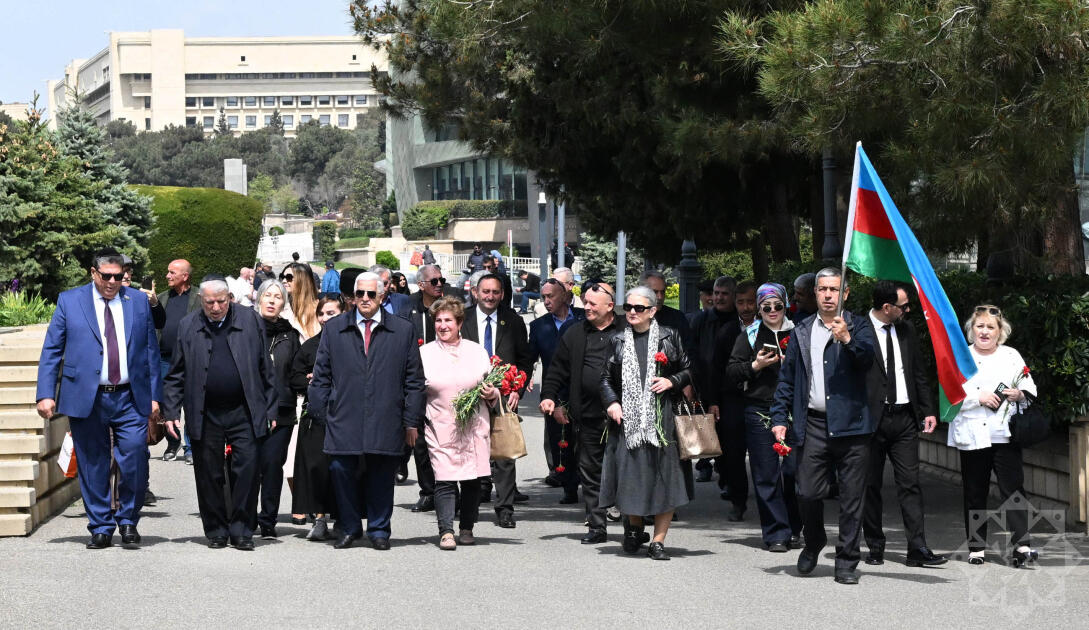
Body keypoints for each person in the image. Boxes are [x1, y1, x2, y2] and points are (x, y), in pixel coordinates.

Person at [36, 249, 161, 549]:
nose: (112, 282)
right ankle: (101, 526)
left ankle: (128, 521)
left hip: (130, 396)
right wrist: (45, 394)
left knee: (134, 458)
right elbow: (52, 349)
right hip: (87, 397)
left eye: (118, 277)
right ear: (93, 273)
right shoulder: (70, 300)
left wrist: (156, 397)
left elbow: (150, 353)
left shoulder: (139, 302)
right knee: (93, 464)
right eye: (106, 276)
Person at [771, 267, 876, 584]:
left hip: (852, 426)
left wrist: (847, 339)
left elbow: (867, 361)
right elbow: (787, 380)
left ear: (844, 294)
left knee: (852, 498)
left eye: (834, 289)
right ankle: (814, 540)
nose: (828, 295)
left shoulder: (859, 326)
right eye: (822, 289)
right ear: (814, 293)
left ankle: (846, 562)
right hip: (813, 424)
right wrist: (779, 419)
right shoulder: (802, 330)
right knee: (807, 491)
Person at [308, 272, 426, 549]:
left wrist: (410, 420)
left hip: (386, 417)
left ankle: (379, 530)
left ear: (382, 296)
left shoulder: (403, 330)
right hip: (343, 417)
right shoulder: (335, 328)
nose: (364, 299)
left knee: (382, 476)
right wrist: (324, 413)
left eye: (371, 294)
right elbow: (321, 376)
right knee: (340, 471)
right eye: (359, 293)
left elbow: (414, 380)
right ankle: (349, 527)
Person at [162, 276, 277, 550]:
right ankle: (215, 530)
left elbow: (266, 369)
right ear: (201, 300)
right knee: (208, 473)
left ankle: (242, 531)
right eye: (209, 302)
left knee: (247, 472)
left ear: (230, 299)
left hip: (245, 410)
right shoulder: (189, 326)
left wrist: (270, 408)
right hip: (205, 410)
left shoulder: (250, 321)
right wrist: (171, 411)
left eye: (221, 301)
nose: (215, 307)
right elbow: (176, 373)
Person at [600, 286, 693, 560]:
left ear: (652, 311)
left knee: (666, 479)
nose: (631, 312)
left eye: (638, 308)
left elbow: (688, 369)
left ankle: (658, 541)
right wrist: (612, 403)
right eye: (627, 307)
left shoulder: (669, 336)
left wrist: (672, 380)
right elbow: (605, 378)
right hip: (628, 422)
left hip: (662, 419)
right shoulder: (617, 340)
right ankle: (635, 527)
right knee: (631, 477)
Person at [862, 281, 946, 567]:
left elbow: (918, 372)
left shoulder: (907, 329)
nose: (908, 310)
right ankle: (874, 545)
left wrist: (927, 410)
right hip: (871, 421)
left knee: (910, 484)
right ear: (887, 308)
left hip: (904, 419)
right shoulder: (859, 330)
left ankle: (917, 548)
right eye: (903, 306)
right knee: (870, 485)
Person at [948, 305, 1039, 567]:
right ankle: (976, 547)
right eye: (980, 326)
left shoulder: (1011, 355)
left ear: (1000, 332)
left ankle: (1022, 545)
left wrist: (1019, 393)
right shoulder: (960, 356)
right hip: (973, 432)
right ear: (971, 330)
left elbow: (1028, 384)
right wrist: (978, 398)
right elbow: (950, 393)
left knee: (1014, 491)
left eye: (990, 327)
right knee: (975, 491)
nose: (984, 332)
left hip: (1005, 433)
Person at [540, 283, 619, 544]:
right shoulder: (574, 334)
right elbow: (557, 369)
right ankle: (597, 527)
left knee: (625, 470)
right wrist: (550, 396)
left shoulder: (626, 332)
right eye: (585, 302)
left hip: (622, 415)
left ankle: (633, 525)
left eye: (592, 304)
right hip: (586, 415)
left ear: (609, 306)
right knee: (590, 472)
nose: (586, 307)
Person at [725, 282, 799, 552]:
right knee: (766, 474)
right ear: (759, 308)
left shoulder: (799, 332)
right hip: (760, 408)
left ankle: (795, 525)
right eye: (766, 306)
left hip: (794, 410)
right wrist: (756, 365)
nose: (772, 310)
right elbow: (732, 372)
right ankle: (777, 532)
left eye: (777, 305)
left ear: (785, 305)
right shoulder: (750, 334)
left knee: (795, 472)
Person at [419, 296, 498, 549]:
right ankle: (446, 531)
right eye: (438, 321)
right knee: (444, 479)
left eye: (448, 321)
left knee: (472, 479)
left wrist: (492, 394)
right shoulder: (424, 354)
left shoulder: (476, 351)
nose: (442, 326)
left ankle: (467, 528)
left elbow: (493, 388)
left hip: (473, 426)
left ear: (459, 323)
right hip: (440, 425)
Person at [461, 273, 533, 527]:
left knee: (504, 454)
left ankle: (504, 508)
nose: (490, 296)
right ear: (475, 293)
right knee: (468, 450)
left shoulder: (513, 321)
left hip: (503, 396)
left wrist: (517, 389)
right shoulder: (463, 319)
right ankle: (469, 504)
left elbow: (525, 360)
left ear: (502, 294)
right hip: (468, 395)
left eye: (495, 292)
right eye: (485, 292)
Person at [289, 294, 346, 541]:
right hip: (315, 415)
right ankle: (319, 518)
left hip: (345, 415)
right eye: (321, 314)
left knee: (343, 470)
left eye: (330, 313)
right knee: (316, 469)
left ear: (343, 313)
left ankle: (344, 519)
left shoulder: (351, 343)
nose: (324, 318)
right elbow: (294, 377)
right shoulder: (310, 346)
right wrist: (309, 380)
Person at [251, 279, 302, 538]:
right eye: (267, 295)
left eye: (278, 297)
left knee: (272, 465)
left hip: (282, 408)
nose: (272, 300)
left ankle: (268, 520)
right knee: (249, 464)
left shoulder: (290, 334)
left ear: (284, 303)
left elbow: (296, 371)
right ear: (259, 298)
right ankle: (246, 517)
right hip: (249, 408)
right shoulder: (245, 328)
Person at [528, 277, 585, 496]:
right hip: (555, 392)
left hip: (582, 389)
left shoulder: (582, 318)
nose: (546, 301)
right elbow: (529, 357)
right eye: (543, 297)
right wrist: (523, 380)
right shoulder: (538, 326)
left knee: (585, 442)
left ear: (564, 296)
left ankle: (590, 488)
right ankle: (569, 489)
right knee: (561, 441)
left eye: (550, 296)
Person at [397, 264, 447, 512]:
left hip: (446, 380)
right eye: (434, 281)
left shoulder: (449, 304)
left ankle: (450, 491)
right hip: (416, 381)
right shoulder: (407, 307)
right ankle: (428, 491)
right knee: (419, 441)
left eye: (441, 280)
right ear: (422, 284)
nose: (439, 285)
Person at [708, 281, 758, 519]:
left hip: (760, 398)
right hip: (732, 399)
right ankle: (738, 501)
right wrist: (713, 400)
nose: (746, 307)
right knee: (734, 454)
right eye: (741, 302)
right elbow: (716, 368)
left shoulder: (769, 327)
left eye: (750, 301)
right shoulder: (727, 331)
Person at [149, 259, 201, 464]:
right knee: (167, 404)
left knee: (191, 402)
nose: (167, 276)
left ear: (185, 276)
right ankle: (173, 442)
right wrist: (152, 303)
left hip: (190, 360)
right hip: (164, 359)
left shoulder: (199, 297)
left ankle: (190, 447)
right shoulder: (161, 298)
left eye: (172, 273)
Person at [688, 276, 737, 483]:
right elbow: (691, 352)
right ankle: (704, 464)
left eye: (724, 294)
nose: (718, 298)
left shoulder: (738, 320)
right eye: (716, 293)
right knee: (704, 429)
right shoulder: (701, 320)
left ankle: (727, 478)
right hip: (704, 385)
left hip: (730, 388)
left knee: (728, 436)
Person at [640, 270, 693, 351]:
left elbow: (689, 350)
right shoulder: (632, 317)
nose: (660, 297)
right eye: (655, 292)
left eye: (663, 292)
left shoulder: (678, 318)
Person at [281, 262, 321, 339]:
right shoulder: (282, 306)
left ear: (302, 280)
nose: (284, 281)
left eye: (289, 277)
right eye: (282, 277)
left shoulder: (317, 309)